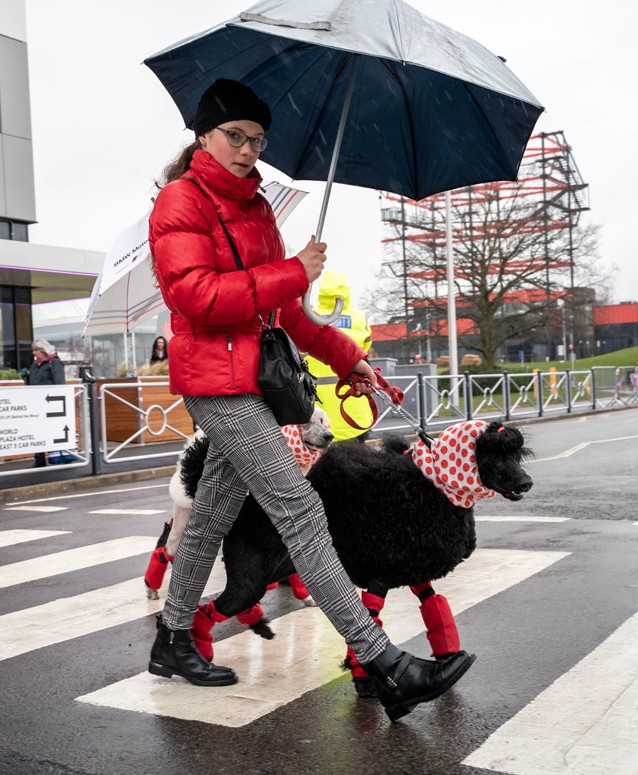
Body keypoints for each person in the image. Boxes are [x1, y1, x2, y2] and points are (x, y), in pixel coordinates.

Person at [146, 78, 472, 720]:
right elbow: (198, 297)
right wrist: (293, 269)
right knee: (300, 510)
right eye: (234, 136)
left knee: (212, 513)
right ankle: (383, 662)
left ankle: (171, 638)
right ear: (203, 137)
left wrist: (353, 361)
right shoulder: (180, 202)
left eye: (257, 139)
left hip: (260, 381)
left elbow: (288, 313)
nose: (247, 150)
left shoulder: (259, 209)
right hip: (218, 385)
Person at [305, 270, 374, 442]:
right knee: (359, 466)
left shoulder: (308, 315)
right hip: (354, 408)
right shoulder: (360, 318)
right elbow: (365, 352)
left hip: (318, 412)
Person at [23, 339, 65, 467]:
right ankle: (39, 459)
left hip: (50, 402)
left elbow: (59, 383)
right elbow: (32, 383)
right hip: (37, 402)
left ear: (43, 351)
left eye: (36, 350)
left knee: (51, 430)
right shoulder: (35, 365)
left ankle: (59, 456)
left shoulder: (55, 363)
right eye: (33, 350)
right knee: (38, 429)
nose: (33, 353)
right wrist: (25, 376)